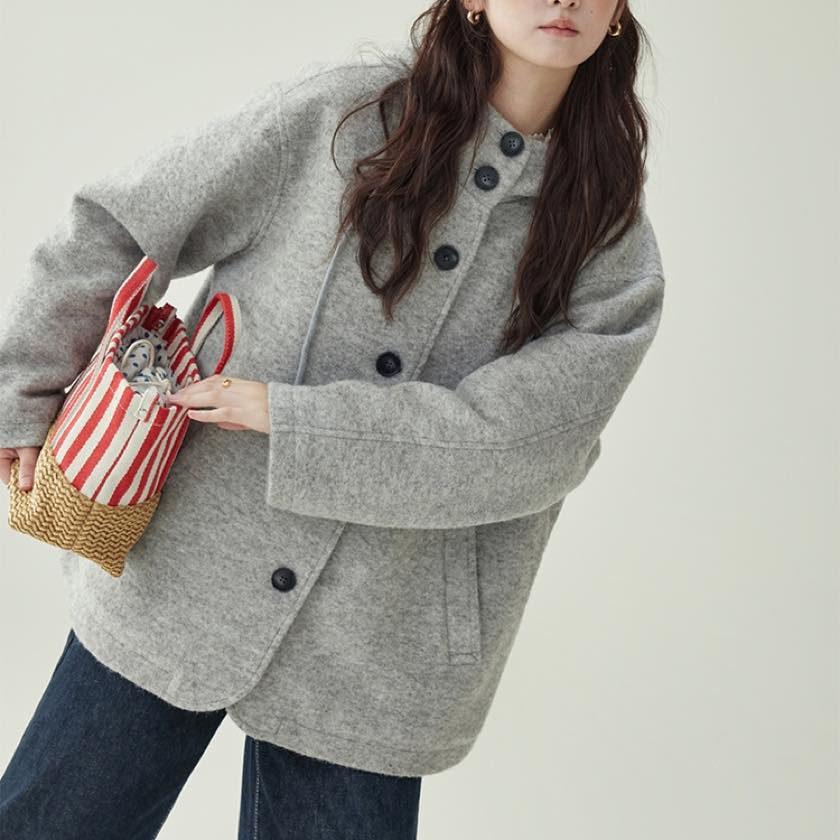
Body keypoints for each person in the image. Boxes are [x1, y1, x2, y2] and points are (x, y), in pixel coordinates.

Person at [0, 0, 665, 837]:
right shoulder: (342, 118)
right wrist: (21, 389)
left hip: (383, 645)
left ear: (617, 14)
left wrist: (294, 421)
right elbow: (125, 221)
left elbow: (522, 447)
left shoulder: (612, 242)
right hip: (185, 567)